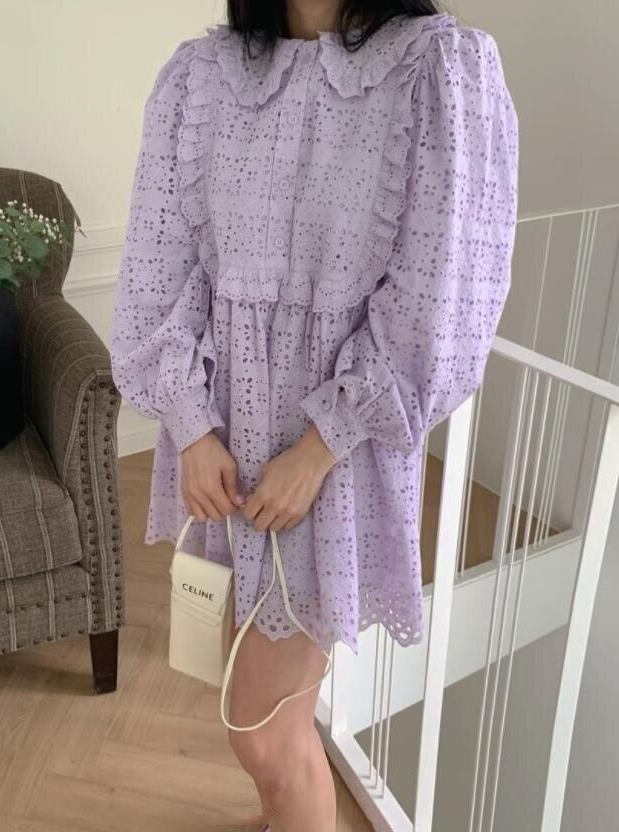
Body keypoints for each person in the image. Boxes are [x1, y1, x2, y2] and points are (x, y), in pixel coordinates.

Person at [110, 0, 519, 828]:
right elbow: (160, 265)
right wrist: (189, 423)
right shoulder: (200, 76)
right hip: (221, 443)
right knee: (251, 698)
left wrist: (320, 446)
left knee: (262, 731)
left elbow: (439, 301)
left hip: (331, 458)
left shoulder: (437, 71)